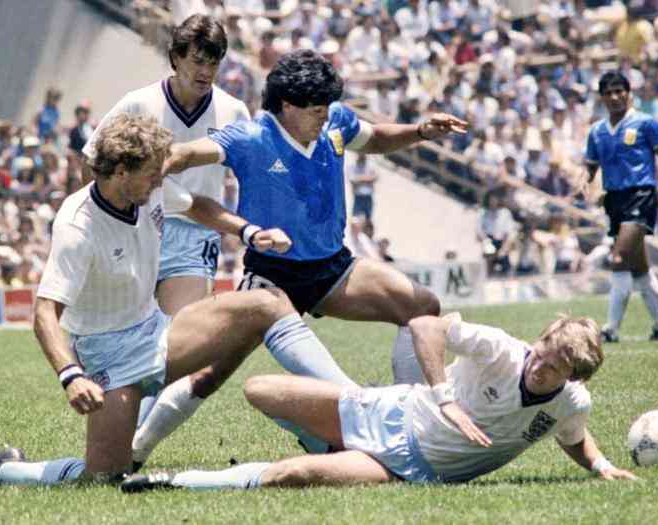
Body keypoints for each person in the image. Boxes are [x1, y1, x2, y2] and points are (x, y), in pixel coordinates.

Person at [0, 113, 342, 487]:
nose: (159, 183)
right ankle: (6, 470)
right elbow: (45, 313)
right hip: (109, 357)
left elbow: (198, 206)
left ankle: (353, 405)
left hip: (157, 331)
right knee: (104, 476)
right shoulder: (76, 226)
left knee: (267, 303)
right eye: (152, 175)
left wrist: (249, 232)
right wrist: (71, 375)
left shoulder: (145, 188)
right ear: (121, 173)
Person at [163, 50, 468, 411]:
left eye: (327, 107)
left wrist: (419, 132)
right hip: (271, 276)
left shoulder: (334, 120)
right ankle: (137, 447)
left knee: (421, 306)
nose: (325, 116)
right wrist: (166, 157)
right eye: (316, 110)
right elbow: (192, 152)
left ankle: (413, 417)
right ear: (288, 106)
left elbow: (374, 139)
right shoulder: (251, 137)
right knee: (210, 376)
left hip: (332, 269)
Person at [119, 312, 636, 492]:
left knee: (290, 476)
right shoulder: (502, 348)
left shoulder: (571, 403)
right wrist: (445, 398)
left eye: (557, 367)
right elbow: (426, 325)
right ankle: (328, 442)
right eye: (544, 350)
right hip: (388, 409)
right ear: (540, 339)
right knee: (259, 389)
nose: (541, 364)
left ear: (573, 376)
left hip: (409, 468)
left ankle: (168, 482)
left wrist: (601, 465)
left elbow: (573, 434)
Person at [77, 15, 252, 469]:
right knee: (128, 342)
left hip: (195, 234)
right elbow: (90, 162)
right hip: (136, 228)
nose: (204, 70)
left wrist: (249, 229)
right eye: (196, 60)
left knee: (178, 343)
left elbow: (249, 176)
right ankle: (116, 444)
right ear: (175, 58)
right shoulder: (137, 103)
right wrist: (102, 220)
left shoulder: (234, 111)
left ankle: (130, 447)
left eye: (213, 61)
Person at [580, 71, 658, 344]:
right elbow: (590, 164)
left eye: (620, 91)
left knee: (618, 259)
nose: (615, 97)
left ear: (629, 93)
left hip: (640, 196)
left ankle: (610, 329)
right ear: (602, 97)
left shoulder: (645, 123)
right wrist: (584, 179)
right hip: (614, 200)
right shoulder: (597, 131)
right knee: (639, 268)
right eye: (609, 93)